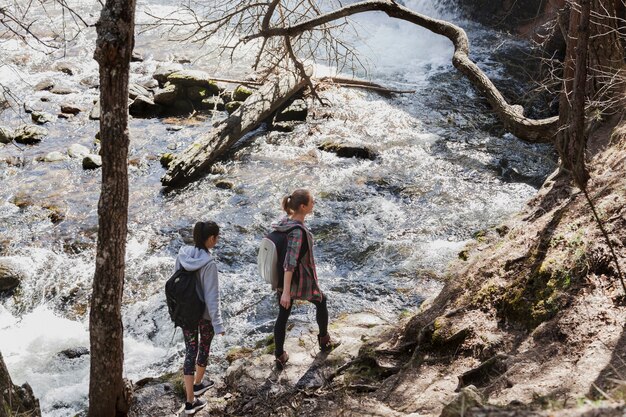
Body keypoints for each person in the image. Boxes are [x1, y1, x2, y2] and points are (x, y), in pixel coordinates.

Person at [272, 188, 339, 368]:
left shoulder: (284, 221)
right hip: (296, 279)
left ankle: (279, 356)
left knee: (283, 315)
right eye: (312, 201)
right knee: (321, 300)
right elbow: (290, 263)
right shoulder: (297, 232)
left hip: (281, 279)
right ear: (303, 206)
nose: (314, 203)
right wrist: (286, 292)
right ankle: (324, 341)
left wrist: (283, 290)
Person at [174, 221, 225, 415]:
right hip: (203, 315)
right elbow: (212, 297)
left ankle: (189, 402)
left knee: (190, 351)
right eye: (217, 237)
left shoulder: (182, 254)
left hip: (186, 313)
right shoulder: (209, 264)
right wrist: (218, 324)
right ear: (211, 238)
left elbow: (176, 282)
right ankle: (197, 384)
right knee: (203, 347)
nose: (217, 240)